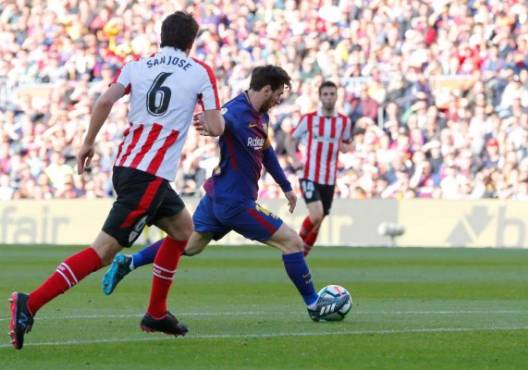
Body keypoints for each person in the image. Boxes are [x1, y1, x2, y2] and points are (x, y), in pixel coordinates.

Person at [8, 11, 225, 350]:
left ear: (162, 37)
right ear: (191, 41)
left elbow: (105, 100)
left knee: (184, 230)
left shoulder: (136, 65)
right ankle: (30, 303)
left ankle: (156, 312)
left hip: (127, 167)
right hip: (149, 176)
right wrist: (205, 122)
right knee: (103, 252)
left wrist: (88, 141)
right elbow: (217, 127)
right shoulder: (201, 72)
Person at [102, 66, 349, 321]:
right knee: (292, 242)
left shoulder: (261, 116)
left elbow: (266, 151)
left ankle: (129, 262)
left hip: (217, 197)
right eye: (277, 95)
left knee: (190, 244)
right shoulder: (233, 112)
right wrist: (208, 125)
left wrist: (285, 186)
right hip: (235, 203)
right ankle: (313, 303)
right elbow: (216, 123)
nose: (278, 100)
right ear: (266, 90)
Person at [286, 81, 353, 256]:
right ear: (320, 97)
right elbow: (290, 140)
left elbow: (346, 144)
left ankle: (301, 256)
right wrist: (294, 159)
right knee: (316, 215)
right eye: (326, 94)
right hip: (309, 174)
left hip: (330, 178)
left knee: (320, 219)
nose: (329, 97)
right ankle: (296, 245)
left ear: (337, 96)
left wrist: (347, 148)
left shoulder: (344, 122)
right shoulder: (309, 119)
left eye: (332, 94)